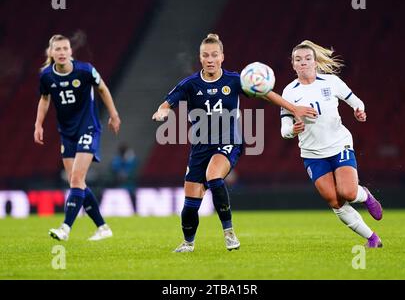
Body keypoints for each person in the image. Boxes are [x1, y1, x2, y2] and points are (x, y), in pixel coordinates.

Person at [152, 33, 318, 252]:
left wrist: (294, 108)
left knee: (213, 176)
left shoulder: (235, 80)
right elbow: (166, 104)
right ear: (200, 58)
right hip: (200, 147)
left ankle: (229, 233)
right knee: (190, 204)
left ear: (222, 57)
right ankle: (188, 243)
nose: (210, 59)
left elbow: (266, 94)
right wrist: (162, 112)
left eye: (214, 55)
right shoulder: (190, 84)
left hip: (229, 141)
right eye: (205, 55)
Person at [280, 40, 383, 248]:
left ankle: (365, 195)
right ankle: (372, 238)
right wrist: (293, 130)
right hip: (311, 153)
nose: (303, 63)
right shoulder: (289, 92)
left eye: (307, 59)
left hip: (339, 145)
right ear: (293, 64)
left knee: (348, 193)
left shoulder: (331, 82)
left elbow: (356, 102)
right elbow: (284, 130)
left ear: (315, 61)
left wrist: (359, 111)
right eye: (298, 60)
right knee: (334, 201)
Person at [34, 34, 121, 241]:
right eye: (58, 49)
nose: (62, 52)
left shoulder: (85, 70)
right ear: (52, 53)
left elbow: (102, 88)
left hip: (88, 128)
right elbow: (44, 99)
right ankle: (102, 227)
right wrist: (38, 124)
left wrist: (114, 114)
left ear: (71, 51)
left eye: (65, 48)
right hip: (67, 133)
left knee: (75, 179)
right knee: (78, 183)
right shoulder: (46, 75)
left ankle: (65, 228)